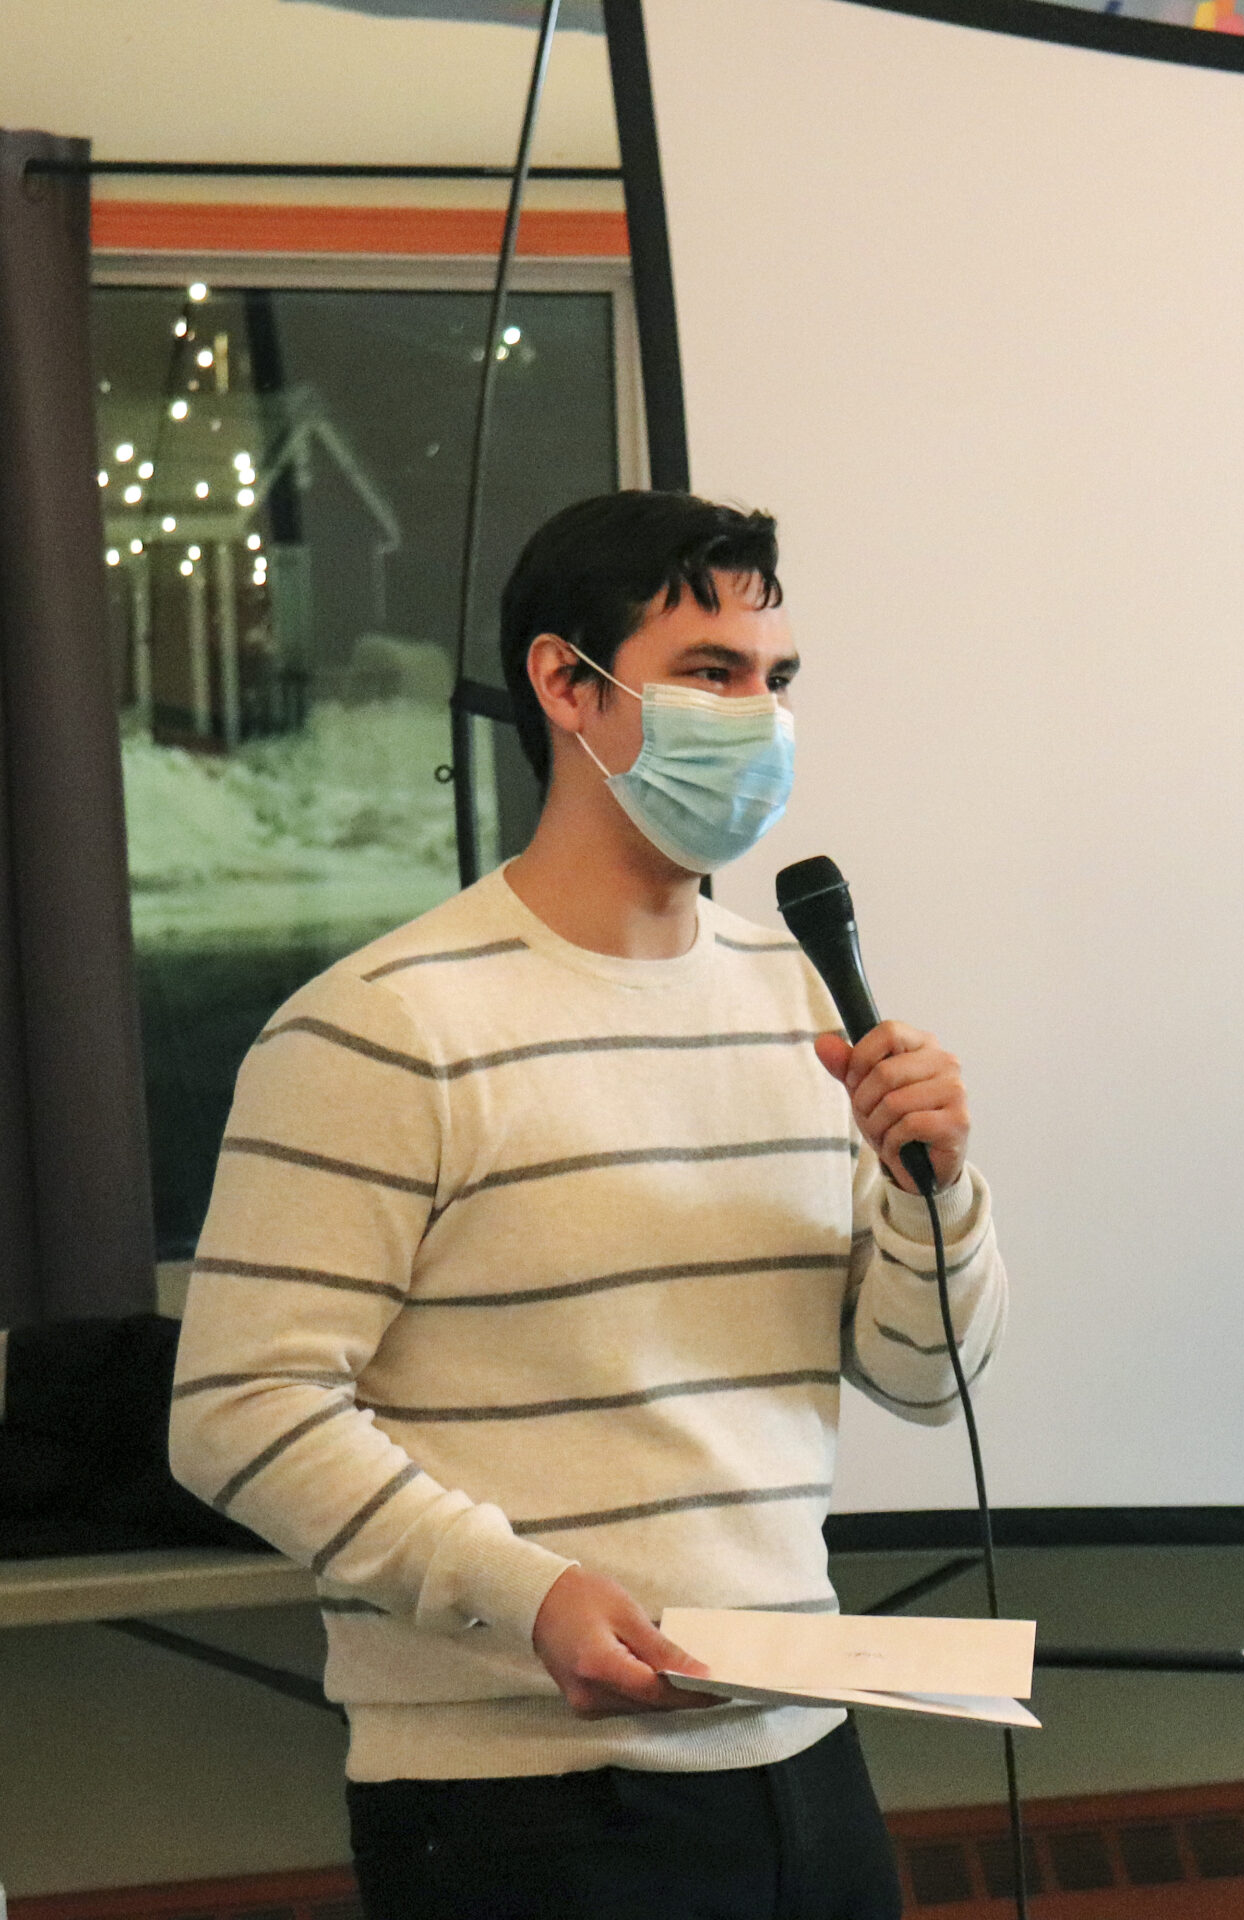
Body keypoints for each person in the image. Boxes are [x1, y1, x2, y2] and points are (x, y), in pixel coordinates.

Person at [169, 490, 1007, 1920]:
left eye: (778, 681)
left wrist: (937, 1192)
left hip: (804, 1753)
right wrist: (526, 1592)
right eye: (712, 675)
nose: (760, 720)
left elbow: (926, 1380)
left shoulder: (797, 998)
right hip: (523, 1796)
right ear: (567, 683)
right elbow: (239, 1407)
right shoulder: (382, 1026)